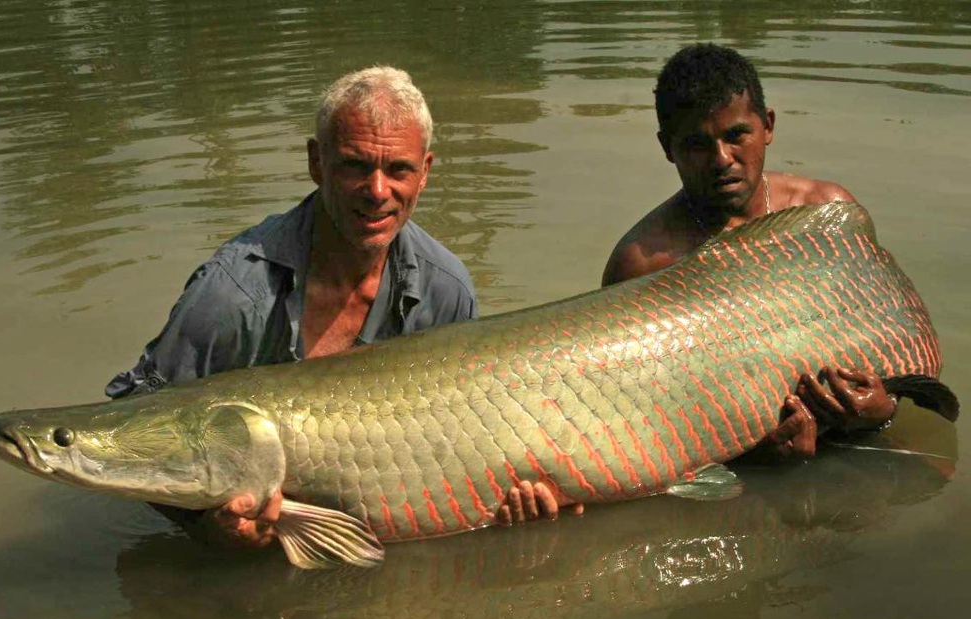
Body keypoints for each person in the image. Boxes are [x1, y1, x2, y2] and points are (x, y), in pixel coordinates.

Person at [108, 66, 560, 550]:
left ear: (425, 172)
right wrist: (206, 527)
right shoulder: (231, 294)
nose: (378, 190)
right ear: (316, 162)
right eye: (355, 166)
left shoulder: (445, 289)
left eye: (399, 169)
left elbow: (467, 437)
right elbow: (132, 428)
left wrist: (506, 502)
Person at [602, 44, 897, 457]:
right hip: (737, 456)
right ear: (668, 148)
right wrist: (755, 457)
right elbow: (638, 417)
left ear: (768, 126)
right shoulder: (642, 264)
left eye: (736, 135)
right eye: (696, 144)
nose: (722, 159)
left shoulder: (828, 216)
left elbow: (882, 344)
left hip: (852, 439)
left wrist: (882, 410)